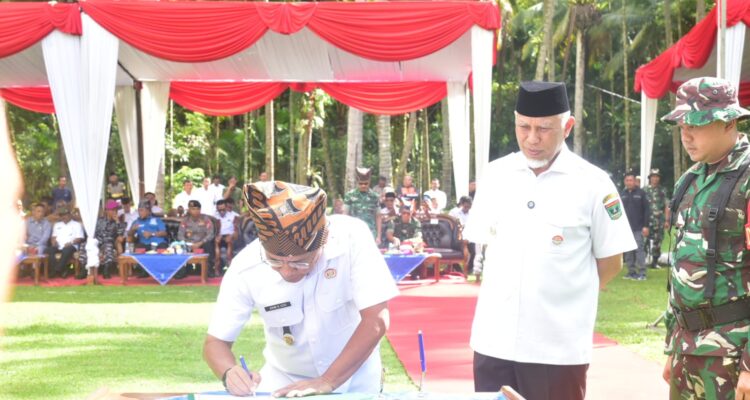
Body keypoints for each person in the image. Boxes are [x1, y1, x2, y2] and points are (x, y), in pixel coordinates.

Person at [463, 81, 636, 400]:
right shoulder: (496, 176)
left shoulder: (593, 184)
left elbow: (611, 262)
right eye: (524, 126)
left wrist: (566, 298)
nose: (532, 138)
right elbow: (483, 243)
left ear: (567, 127)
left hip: (557, 349)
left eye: (544, 128)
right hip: (494, 342)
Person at [203, 181, 398, 397]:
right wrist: (229, 373)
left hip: (355, 377)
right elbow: (215, 342)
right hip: (284, 380)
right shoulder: (245, 267)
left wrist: (327, 380)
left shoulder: (352, 239)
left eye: (300, 263)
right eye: (275, 261)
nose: (287, 271)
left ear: (322, 242)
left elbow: (376, 320)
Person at [659, 77, 750, 399]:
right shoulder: (690, 180)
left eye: (696, 124)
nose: (686, 135)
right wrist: (673, 345)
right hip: (688, 349)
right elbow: (681, 268)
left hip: (733, 355)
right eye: (682, 125)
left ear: (729, 122)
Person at [621, 171, 650, 281]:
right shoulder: (622, 194)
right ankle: (631, 272)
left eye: (631, 180)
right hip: (626, 228)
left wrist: (646, 226)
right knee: (628, 251)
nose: (629, 182)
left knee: (639, 250)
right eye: (627, 180)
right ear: (625, 182)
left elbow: (647, 210)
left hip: (638, 227)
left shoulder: (641, 193)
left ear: (635, 181)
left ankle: (642, 273)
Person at [343, 167, 382, 244]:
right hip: (354, 232)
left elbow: (378, 216)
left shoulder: (375, 197)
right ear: (357, 182)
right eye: (360, 183)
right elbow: (345, 215)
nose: (363, 186)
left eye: (366, 183)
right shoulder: (349, 196)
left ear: (369, 182)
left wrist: (379, 236)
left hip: (370, 232)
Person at [178, 199, 216, 276]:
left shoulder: (205, 219)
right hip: (188, 244)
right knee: (180, 246)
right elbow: (180, 235)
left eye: (197, 209)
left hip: (202, 243)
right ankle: (183, 271)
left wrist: (200, 243)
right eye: (193, 209)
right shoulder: (185, 221)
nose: (196, 211)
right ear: (189, 210)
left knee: (208, 245)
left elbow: (211, 233)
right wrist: (188, 243)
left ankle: (208, 270)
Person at [47, 207, 85, 279]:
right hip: (58, 245)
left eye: (65, 215)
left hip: (71, 246)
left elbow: (80, 238)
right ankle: (62, 270)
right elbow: (53, 237)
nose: (63, 217)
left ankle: (57, 270)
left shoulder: (77, 224)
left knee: (66, 250)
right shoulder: (57, 224)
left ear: (69, 215)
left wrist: (71, 242)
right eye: (61, 215)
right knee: (49, 250)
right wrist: (53, 242)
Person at [644, 168, 670, 269]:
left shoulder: (662, 190)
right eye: (653, 177)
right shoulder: (644, 190)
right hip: (647, 220)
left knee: (658, 240)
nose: (655, 179)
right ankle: (644, 260)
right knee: (645, 240)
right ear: (650, 178)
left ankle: (654, 261)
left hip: (659, 220)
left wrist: (667, 220)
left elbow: (666, 206)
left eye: (657, 177)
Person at [214, 199, 238, 275]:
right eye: (219, 210)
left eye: (223, 210)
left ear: (226, 207)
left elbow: (236, 231)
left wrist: (231, 236)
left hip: (230, 237)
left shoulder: (233, 216)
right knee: (217, 250)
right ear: (217, 209)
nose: (221, 212)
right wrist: (216, 236)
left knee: (229, 246)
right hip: (219, 237)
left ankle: (231, 271)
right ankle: (216, 271)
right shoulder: (214, 216)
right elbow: (213, 230)